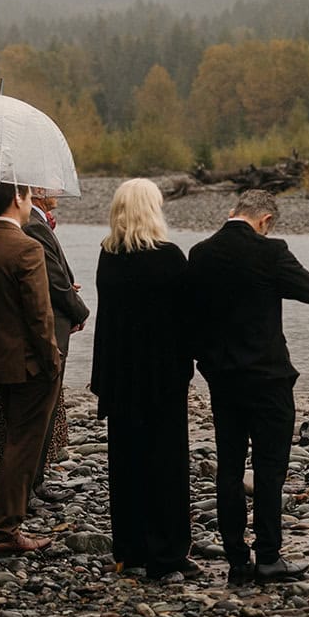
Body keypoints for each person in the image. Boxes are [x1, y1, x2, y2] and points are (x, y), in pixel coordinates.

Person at [187, 189, 309, 585]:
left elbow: (190, 316)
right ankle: (268, 557)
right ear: (265, 221)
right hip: (267, 378)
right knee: (269, 469)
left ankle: (236, 560)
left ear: (233, 213)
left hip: (222, 377)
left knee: (229, 467)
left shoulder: (200, 253)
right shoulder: (271, 252)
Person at [91, 179, 198, 581]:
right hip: (162, 376)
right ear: (152, 211)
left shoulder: (107, 256)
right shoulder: (170, 258)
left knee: (126, 463)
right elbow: (188, 318)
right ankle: (166, 553)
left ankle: (130, 549)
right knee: (166, 464)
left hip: (119, 376)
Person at [0, 181, 62, 556]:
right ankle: (5, 529)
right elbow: (40, 316)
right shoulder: (27, 248)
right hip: (31, 364)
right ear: (19, 199)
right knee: (25, 447)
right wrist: (52, 360)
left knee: (12, 445)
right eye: (27, 195)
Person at [24, 187, 87, 500]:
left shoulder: (39, 222)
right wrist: (78, 307)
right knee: (41, 410)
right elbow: (52, 280)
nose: (57, 191)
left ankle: (35, 481)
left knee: (46, 409)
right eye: (50, 186)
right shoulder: (34, 226)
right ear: (36, 192)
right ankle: (31, 485)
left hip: (54, 323)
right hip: (50, 326)